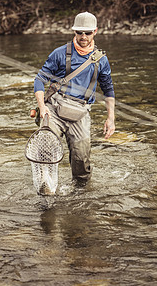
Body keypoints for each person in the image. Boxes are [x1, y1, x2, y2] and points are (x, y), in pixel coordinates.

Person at [34, 11, 115, 187]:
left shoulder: (101, 60)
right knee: (45, 150)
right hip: (54, 109)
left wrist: (111, 118)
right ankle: (46, 189)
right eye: (79, 32)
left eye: (87, 32)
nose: (83, 36)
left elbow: (108, 89)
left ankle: (80, 198)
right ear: (74, 32)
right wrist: (42, 107)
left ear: (95, 31)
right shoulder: (59, 53)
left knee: (81, 162)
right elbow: (40, 80)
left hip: (81, 112)